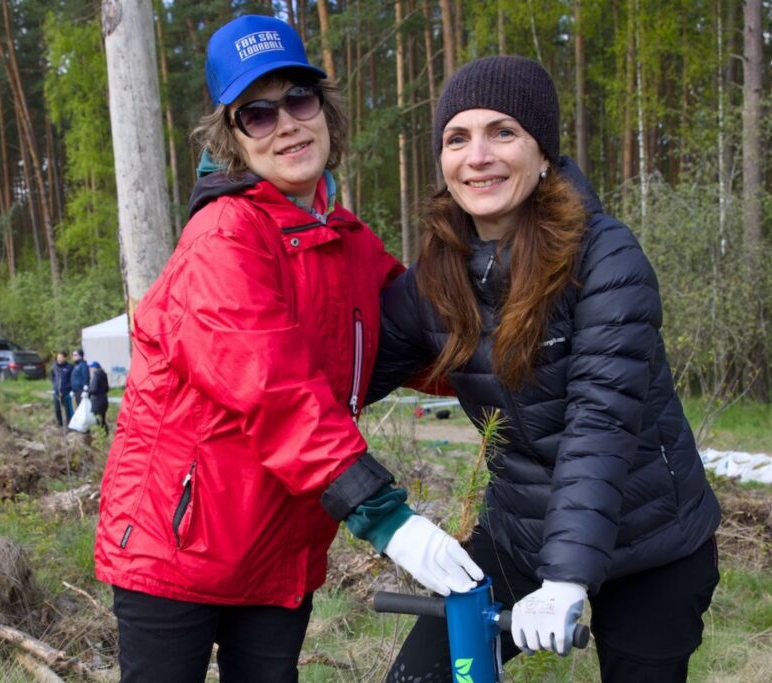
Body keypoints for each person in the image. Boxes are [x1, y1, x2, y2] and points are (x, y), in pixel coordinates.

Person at [94, 15, 482, 683]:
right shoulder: (223, 238)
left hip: (279, 551)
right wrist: (388, 519)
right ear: (232, 137)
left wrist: (520, 363)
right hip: (175, 545)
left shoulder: (350, 243)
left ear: (325, 111)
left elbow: (423, 343)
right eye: (258, 114)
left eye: (300, 100)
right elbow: (277, 391)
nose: (288, 125)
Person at [368, 56, 722, 683]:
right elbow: (347, 372)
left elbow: (599, 423)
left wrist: (566, 579)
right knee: (423, 676)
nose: (478, 156)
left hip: (653, 543)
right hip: (521, 532)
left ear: (542, 153)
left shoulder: (606, 256)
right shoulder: (435, 278)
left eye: (502, 132)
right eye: (458, 138)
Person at [50, 351, 73, 428]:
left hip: (66, 392)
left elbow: (72, 379)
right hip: (56, 392)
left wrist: (69, 388)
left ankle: (70, 424)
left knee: (68, 410)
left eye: (60, 358)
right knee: (57, 410)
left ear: (65, 358)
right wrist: (55, 385)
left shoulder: (70, 367)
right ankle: (60, 424)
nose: (59, 359)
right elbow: (52, 377)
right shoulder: (54, 367)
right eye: (58, 358)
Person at [86, 361, 110, 435]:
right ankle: (106, 434)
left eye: (91, 367)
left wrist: (87, 390)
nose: (90, 369)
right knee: (102, 419)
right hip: (104, 399)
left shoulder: (96, 375)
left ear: (95, 368)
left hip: (97, 401)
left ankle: (102, 435)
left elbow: (94, 389)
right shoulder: (104, 374)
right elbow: (107, 388)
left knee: (98, 419)